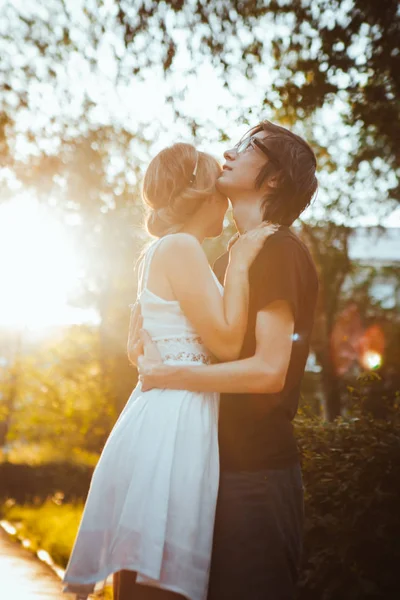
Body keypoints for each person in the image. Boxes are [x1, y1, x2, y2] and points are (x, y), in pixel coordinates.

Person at [62, 142, 277, 600]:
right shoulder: (181, 247)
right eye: (218, 188)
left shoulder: (172, 249)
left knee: (149, 565)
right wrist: (239, 266)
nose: (225, 197)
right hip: (173, 419)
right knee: (156, 568)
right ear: (204, 194)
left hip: (171, 406)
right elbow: (225, 342)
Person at [137, 121, 319, 600]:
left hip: (255, 475)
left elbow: (268, 372)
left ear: (275, 177)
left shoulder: (277, 250)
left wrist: (173, 375)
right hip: (206, 465)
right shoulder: (224, 262)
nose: (228, 151)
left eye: (246, 146)